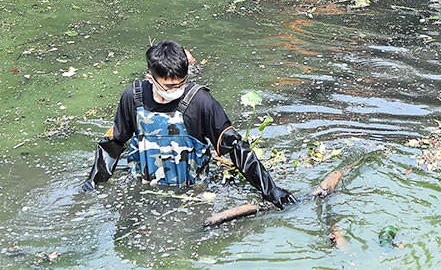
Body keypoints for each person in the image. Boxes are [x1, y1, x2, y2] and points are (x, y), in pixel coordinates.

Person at [83, 40, 295, 209]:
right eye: (169, 85)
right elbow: (113, 144)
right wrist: (93, 185)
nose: (176, 90)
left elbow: (236, 149)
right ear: (150, 78)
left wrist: (270, 190)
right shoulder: (133, 98)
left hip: (193, 193)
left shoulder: (200, 101)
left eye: (181, 83)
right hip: (144, 192)